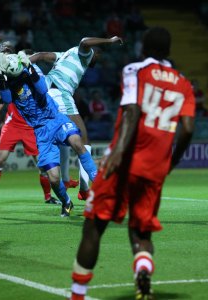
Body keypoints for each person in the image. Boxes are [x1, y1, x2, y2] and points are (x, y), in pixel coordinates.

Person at [70, 27, 195, 300]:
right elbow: (187, 128)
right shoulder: (183, 82)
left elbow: (132, 112)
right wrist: (169, 163)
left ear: (144, 48)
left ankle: (77, 294)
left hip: (124, 163)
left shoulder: (135, 70)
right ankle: (142, 268)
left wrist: (118, 153)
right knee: (141, 231)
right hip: (153, 169)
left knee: (94, 227)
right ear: (169, 51)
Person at [0, 52, 98, 217]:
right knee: (54, 179)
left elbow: (42, 89)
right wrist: (0, 77)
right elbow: (6, 100)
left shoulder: (30, 68)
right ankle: (66, 202)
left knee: (77, 143)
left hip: (55, 118)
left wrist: (29, 67)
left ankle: (99, 185)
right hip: (41, 131)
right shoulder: (8, 83)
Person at [28, 36, 122, 200]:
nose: (97, 60)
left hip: (46, 94)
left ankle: (65, 180)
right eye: (98, 56)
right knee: (84, 139)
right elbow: (85, 41)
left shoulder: (64, 55)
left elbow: (41, 55)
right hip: (60, 94)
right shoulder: (85, 54)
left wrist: (22, 63)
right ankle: (85, 190)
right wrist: (110, 40)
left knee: (64, 137)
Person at [0, 102, 60, 206]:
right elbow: (1, 99)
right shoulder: (10, 85)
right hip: (12, 125)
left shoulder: (35, 86)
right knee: (0, 159)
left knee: (42, 164)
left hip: (31, 126)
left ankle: (48, 197)